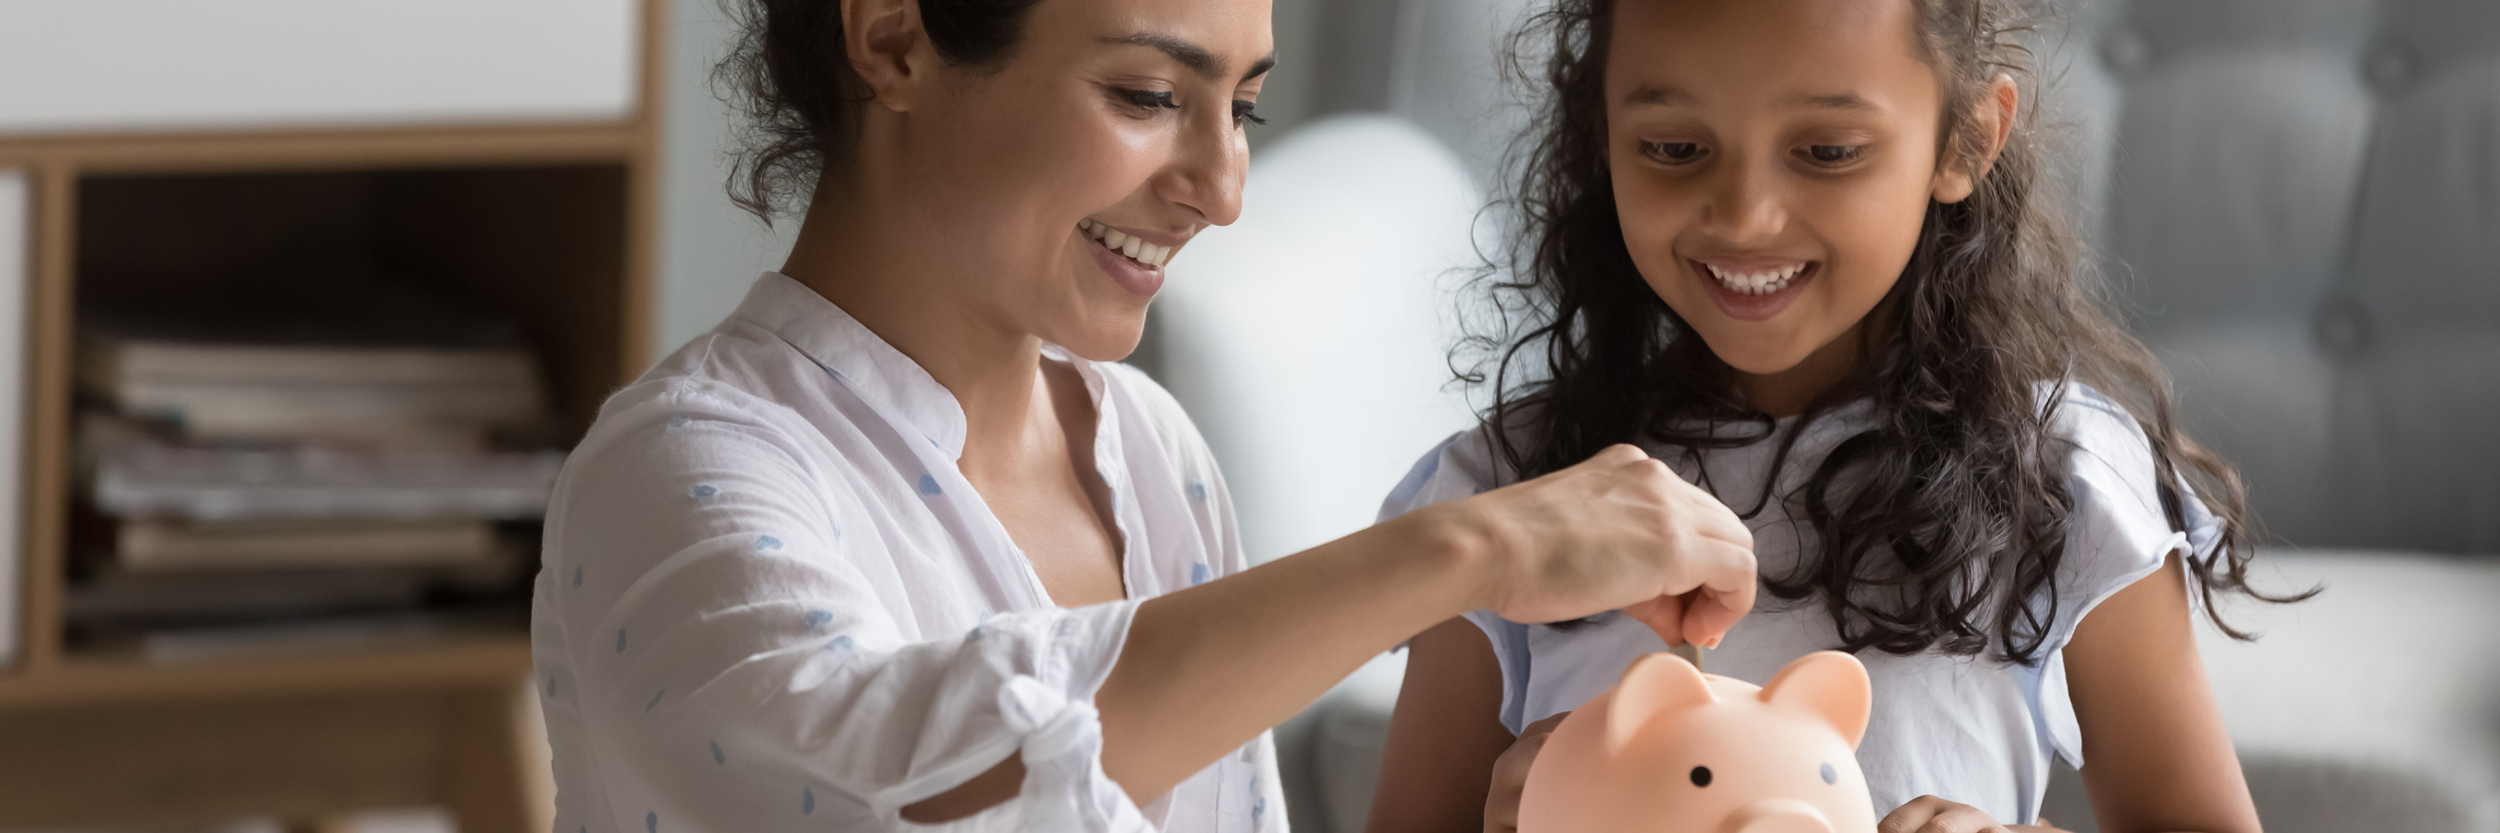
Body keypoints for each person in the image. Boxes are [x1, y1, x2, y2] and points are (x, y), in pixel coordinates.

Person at [527, 0, 1760, 831]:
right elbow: (905, 784)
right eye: (1145, 93)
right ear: (894, 37)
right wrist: (1470, 550)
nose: (1223, 190)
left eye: (1243, 110)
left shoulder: (1146, 446)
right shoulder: (678, 468)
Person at [1367, 1, 2302, 832]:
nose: (1745, 216)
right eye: (1674, 149)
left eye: (1827, 152)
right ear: (1600, 132)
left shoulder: (2063, 476)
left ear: (1966, 141)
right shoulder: (1511, 493)